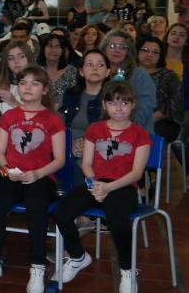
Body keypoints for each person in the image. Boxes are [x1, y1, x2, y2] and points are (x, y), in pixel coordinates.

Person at [52, 82, 151, 293]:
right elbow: (86, 163)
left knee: (118, 221)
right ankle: (78, 256)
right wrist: (94, 183)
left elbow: (136, 173)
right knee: (61, 213)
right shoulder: (95, 129)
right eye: (113, 102)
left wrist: (108, 187)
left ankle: (127, 269)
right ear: (105, 105)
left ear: (132, 105)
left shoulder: (140, 134)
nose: (119, 108)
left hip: (123, 186)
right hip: (95, 183)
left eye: (124, 102)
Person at [0, 66, 65, 293]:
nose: (28, 87)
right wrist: (6, 170)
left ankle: (37, 266)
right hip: (11, 173)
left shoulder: (52, 119)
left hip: (41, 175)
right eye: (24, 83)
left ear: (45, 89)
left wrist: (37, 173)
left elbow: (59, 159)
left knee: (36, 206)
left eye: (35, 83)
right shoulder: (8, 117)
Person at [59, 50, 110, 186]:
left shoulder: (113, 99)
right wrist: (70, 143)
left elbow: (115, 132)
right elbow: (58, 127)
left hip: (100, 150)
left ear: (108, 72)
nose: (94, 68)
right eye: (89, 64)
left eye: (100, 65)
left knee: (81, 163)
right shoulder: (69, 95)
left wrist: (87, 146)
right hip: (68, 146)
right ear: (81, 72)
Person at [99, 30, 155, 133]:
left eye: (122, 47)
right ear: (103, 49)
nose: (117, 50)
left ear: (128, 52)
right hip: (100, 133)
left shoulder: (141, 76)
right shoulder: (97, 73)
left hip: (135, 135)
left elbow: (143, 112)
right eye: (112, 46)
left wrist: (117, 131)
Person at [136, 37, 182, 144]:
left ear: (160, 56)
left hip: (162, 122)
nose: (149, 55)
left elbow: (174, 108)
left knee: (147, 134)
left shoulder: (169, 76)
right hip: (126, 118)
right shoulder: (127, 74)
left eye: (155, 52)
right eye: (145, 50)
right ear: (137, 52)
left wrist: (148, 119)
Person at [0, 41, 35, 113]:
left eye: (21, 56)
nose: (16, 61)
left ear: (29, 59)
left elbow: (41, 118)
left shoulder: (40, 85)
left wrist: (14, 103)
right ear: (7, 63)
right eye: (11, 58)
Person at [37, 33, 79, 104]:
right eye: (50, 46)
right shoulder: (36, 70)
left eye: (58, 47)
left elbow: (75, 96)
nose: (53, 50)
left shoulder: (72, 71)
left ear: (63, 51)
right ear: (43, 49)